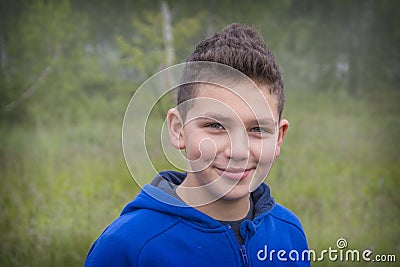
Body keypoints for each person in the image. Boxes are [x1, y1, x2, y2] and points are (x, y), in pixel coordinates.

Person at [85, 23, 310, 266]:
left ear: (278, 137)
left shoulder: (289, 234)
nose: (238, 151)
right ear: (178, 129)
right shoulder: (127, 247)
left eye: (257, 129)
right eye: (215, 126)